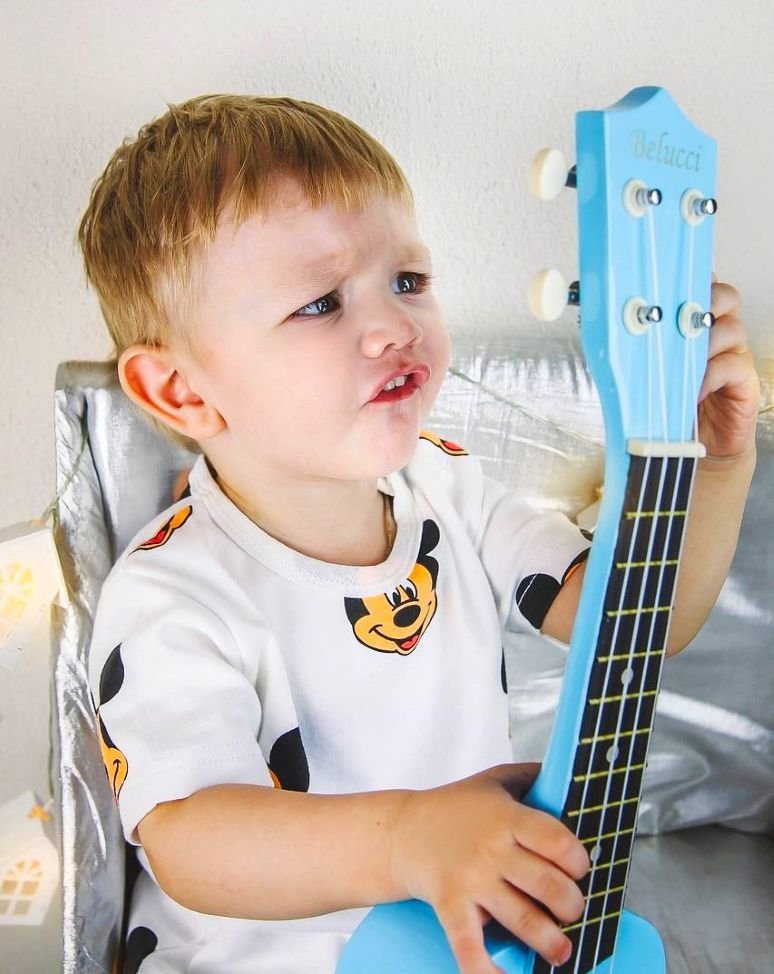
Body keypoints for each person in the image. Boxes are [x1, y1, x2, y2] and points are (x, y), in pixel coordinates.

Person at [79, 93, 759, 974]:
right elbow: (189, 838)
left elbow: (636, 625)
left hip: (463, 947)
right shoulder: (172, 589)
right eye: (320, 303)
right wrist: (405, 838)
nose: (397, 328)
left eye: (408, 281)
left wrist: (713, 469)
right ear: (182, 392)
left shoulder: (447, 486)